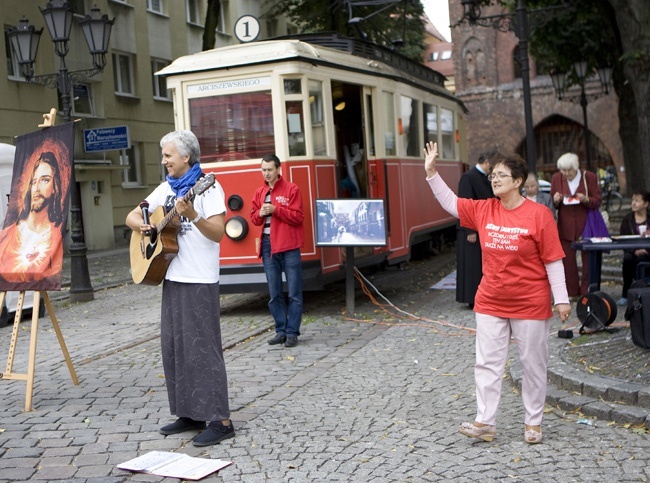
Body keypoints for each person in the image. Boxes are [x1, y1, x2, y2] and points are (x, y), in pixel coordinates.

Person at [423, 141, 571, 444]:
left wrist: (562, 299)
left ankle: (533, 422)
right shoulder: (483, 209)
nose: (495, 180)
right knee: (487, 362)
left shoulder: (539, 215)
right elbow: (452, 203)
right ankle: (485, 422)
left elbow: (553, 260)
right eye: (493, 176)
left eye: (502, 176)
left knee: (532, 364)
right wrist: (431, 172)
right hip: (491, 299)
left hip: (530, 302)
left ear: (518, 182)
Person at [125, 130, 233, 447]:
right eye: (163, 155)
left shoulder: (208, 188)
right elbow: (132, 213)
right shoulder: (165, 189)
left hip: (199, 279)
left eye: (168, 155)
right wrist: (143, 225)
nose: (164, 160)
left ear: (186, 156)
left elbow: (218, 233)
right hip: (172, 277)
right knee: (175, 350)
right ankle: (190, 413)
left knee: (203, 351)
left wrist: (194, 215)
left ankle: (221, 420)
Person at [250, 154, 305, 348]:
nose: (266, 173)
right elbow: (254, 219)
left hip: (289, 246)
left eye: (270, 170)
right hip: (267, 245)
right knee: (274, 294)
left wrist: (276, 210)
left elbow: (298, 217)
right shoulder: (259, 192)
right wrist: (259, 213)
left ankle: (292, 332)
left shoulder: (292, 189)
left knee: (294, 292)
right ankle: (280, 331)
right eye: (264, 170)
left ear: (278, 169)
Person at [0, 152, 66, 289]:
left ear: (55, 187)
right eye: (33, 182)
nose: (36, 189)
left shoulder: (55, 236)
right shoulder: (8, 235)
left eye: (44, 180)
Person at [550, 153, 602, 297]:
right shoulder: (556, 178)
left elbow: (597, 200)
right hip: (565, 225)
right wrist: (556, 199)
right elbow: (554, 204)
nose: (566, 174)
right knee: (567, 262)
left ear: (576, 167)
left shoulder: (589, 177)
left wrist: (586, 199)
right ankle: (572, 292)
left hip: (586, 224)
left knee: (588, 261)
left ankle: (587, 291)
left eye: (569, 170)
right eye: (563, 170)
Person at [456, 150, 495, 308]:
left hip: (481, 227)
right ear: (486, 162)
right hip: (471, 230)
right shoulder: (469, 177)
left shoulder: (480, 177)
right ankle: (471, 297)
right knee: (472, 265)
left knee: (478, 264)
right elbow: (465, 204)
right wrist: (469, 229)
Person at [617, 190, 650, 306]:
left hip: (648, 252)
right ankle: (625, 294)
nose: (633, 203)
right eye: (633, 200)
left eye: (637, 201)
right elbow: (622, 238)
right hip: (632, 252)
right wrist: (635, 250)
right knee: (628, 259)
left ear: (646, 204)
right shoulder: (627, 219)